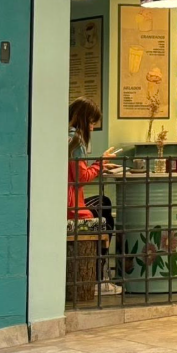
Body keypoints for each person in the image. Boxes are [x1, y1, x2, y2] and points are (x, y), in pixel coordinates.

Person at [67, 97, 121, 294]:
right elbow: (81, 178)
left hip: (65, 201)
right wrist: (101, 162)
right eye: (91, 122)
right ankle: (99, 277)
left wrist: (98, 166)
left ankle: (100, 275)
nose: (92, 127)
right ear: (83, 119)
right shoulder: (76, 141)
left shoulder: (63, 135)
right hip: (71, 206)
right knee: (104, 212)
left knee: (103, 202)